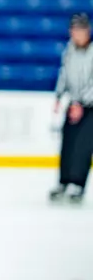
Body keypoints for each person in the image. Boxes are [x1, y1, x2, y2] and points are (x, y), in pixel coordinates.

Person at [50, 12, 93, 204]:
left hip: (90, 106)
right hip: (73, 103)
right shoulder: (69, 50)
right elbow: (64, 74)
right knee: (67, 142)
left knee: (83, 145)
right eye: (75, 29)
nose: (78, 33)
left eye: (81, 29)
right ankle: (64, 181)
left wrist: (81, 102)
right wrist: (59, 97)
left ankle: (78, 184)